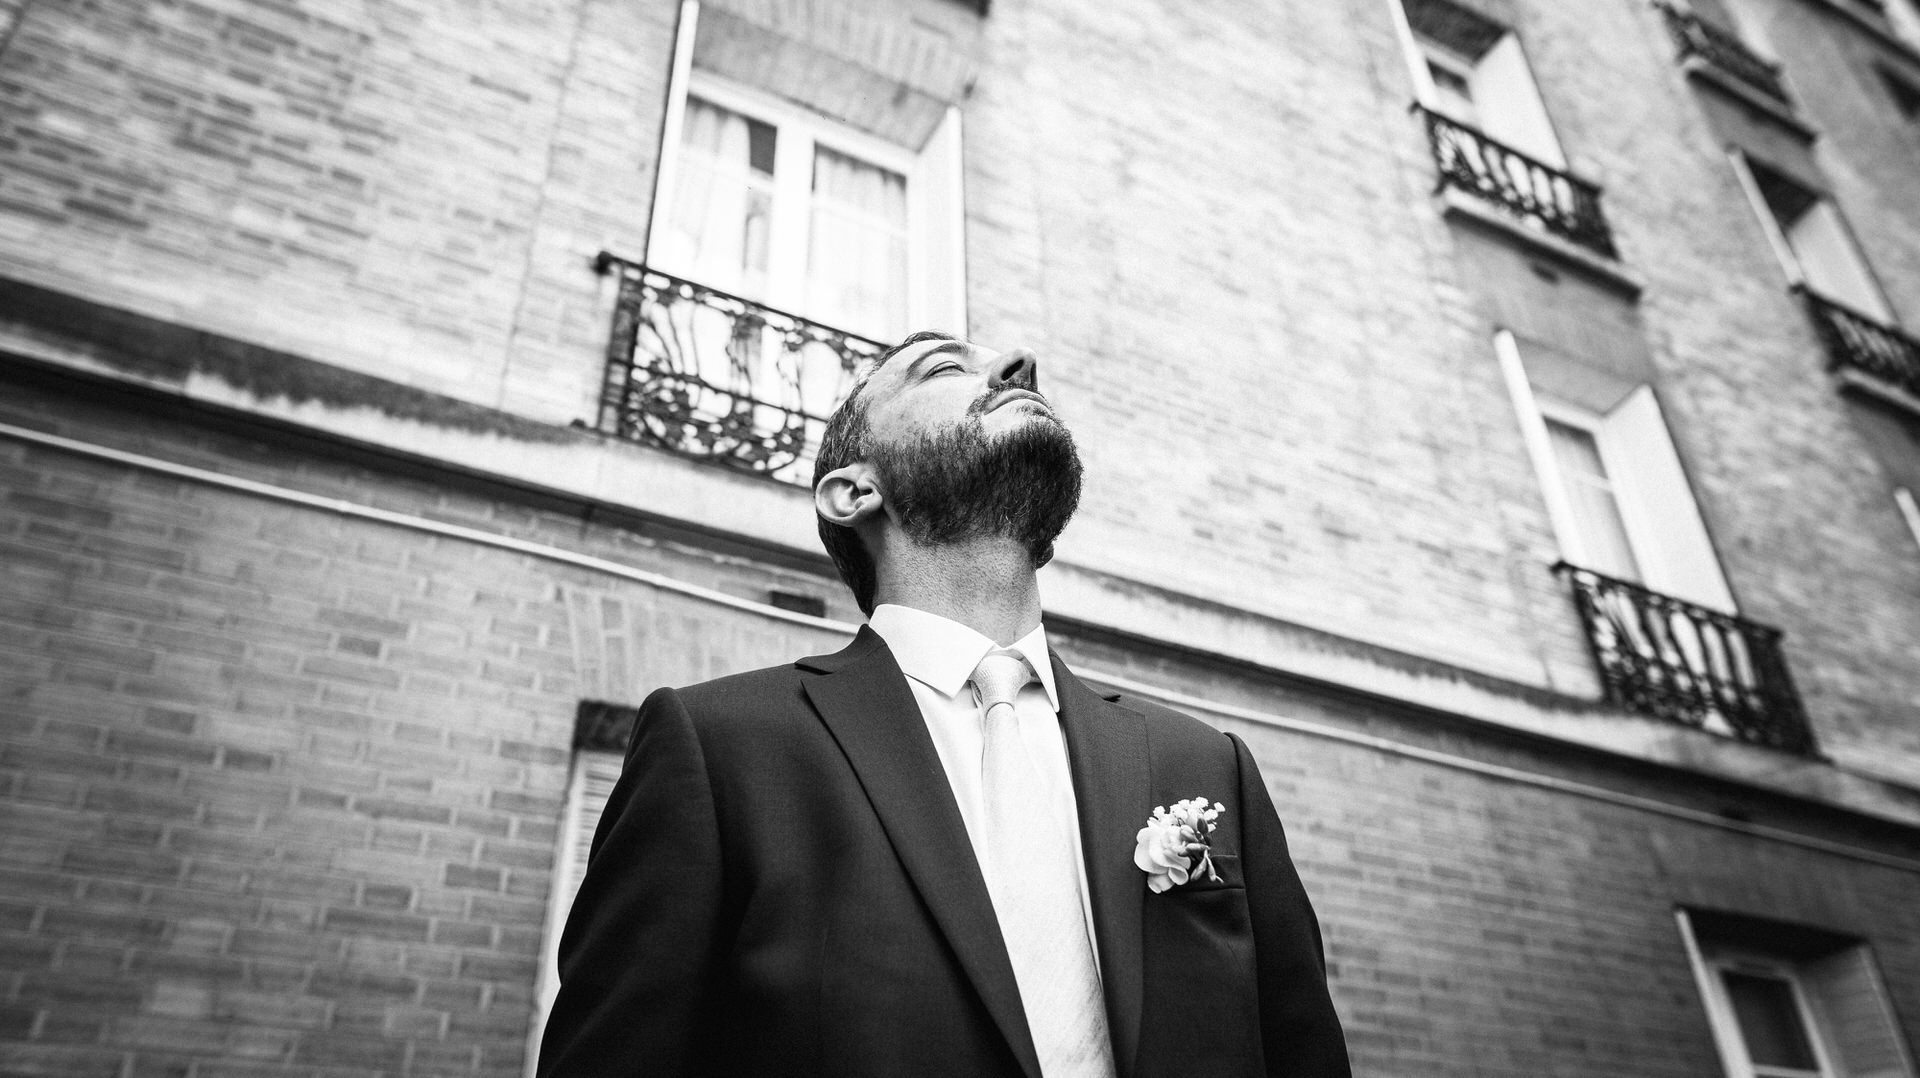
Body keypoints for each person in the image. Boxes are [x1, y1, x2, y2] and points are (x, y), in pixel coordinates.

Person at [536, 331, 1351, 1078]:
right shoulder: (719, 750)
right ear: (854, 492)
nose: (1016, 365)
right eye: (942, 367)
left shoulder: (1206, 765)